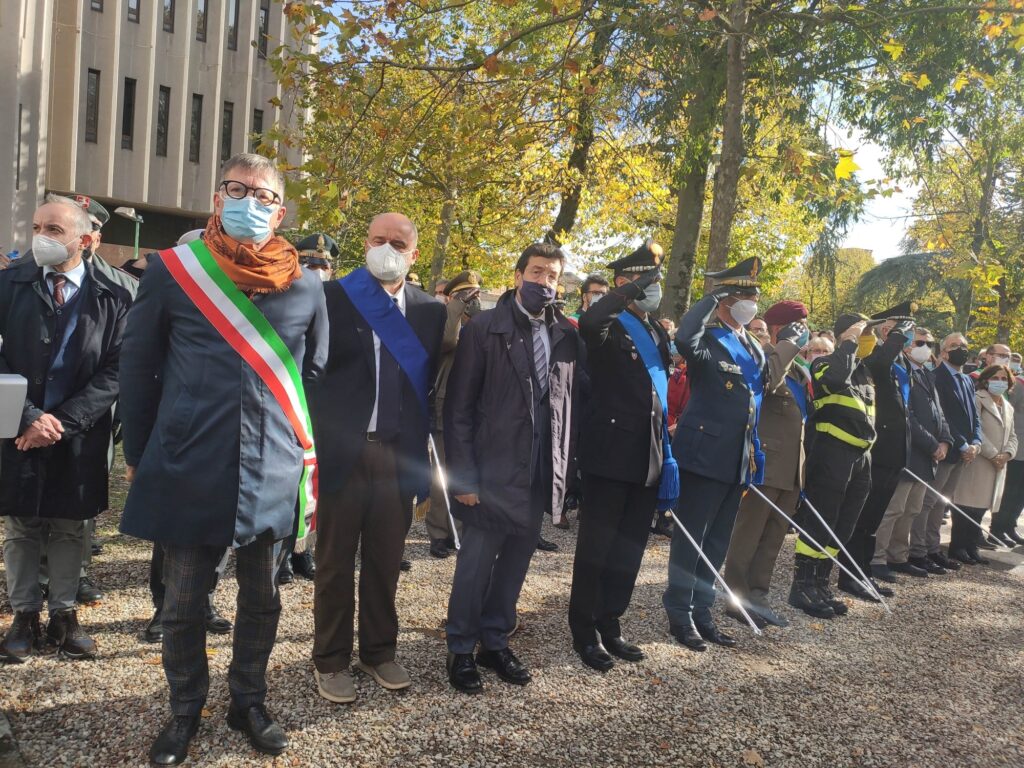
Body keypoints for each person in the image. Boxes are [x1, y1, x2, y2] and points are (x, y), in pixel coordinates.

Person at [119, 153, 328, 764]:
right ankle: (185, 709)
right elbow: (138, 366)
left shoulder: (307, 285)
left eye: (264, 196)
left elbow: (313, 371)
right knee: (184, 602)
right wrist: (139, 451)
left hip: (272, 467)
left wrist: (286, 439)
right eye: (238, 190)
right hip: (190, 461)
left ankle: (248, 702)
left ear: (280, 212)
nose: (250, 203)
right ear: (217, 199)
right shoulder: (173, 270)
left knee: (262, 600)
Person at [311, 213, 445, 703]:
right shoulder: (331, 297)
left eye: (398, 243)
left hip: (396, 455)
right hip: (342, 453)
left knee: (386, 562)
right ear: (365, 244)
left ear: (414, 253)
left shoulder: (430, 311)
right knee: (334, 564)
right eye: (378, 239)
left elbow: (425, 388)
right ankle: (330, 660)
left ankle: (379, 651)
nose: (387, 249)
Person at [444, 242, 582, 693]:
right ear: (518, 274)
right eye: (537, 272)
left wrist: (564, 475)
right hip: (491, 472)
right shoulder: (485, 328)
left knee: (516, 564)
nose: (545, 282)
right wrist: (463, 477)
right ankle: (460, 648)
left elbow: (566, 407)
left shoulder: (564, 335)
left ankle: (495, 640)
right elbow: (459, 409)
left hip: (539, 471)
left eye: (552, 276)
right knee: (476, 566)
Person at [0, 196, 131, 663]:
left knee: (71, 526)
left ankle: (63, 614)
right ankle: (23, 614)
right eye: (37, 227)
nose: (41, 238)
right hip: (17, 427)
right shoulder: (8, 285)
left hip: (79, 432)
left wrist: (63, 422)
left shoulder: (117, 295)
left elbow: (118, 369)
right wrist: (28, 416)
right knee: (21, 525)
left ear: (86, 239)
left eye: (53, 230)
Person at [568, 239, 673, 672]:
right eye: (645, 280)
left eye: (654, 280)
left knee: (629, 548)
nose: (653, 288)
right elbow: (591, 320)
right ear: (623, 283)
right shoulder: (609, 325)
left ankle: (610, 622)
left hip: (648, 454)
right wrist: (629, 289)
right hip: (610, 454)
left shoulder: (655, 330)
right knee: (597, 547)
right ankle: (584, 630)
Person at [663, 257, 767, 652]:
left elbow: (753, 402)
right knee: (691, 539)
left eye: (754, 296)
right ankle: (679, 611)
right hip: (704, 455)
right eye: (743, 297)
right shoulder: (708, 338)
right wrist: (710, 298)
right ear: (726, 300)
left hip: (738, 458)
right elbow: (684, 338)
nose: (751, 303)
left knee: (717, 542)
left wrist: (755, 454)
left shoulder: (752, 345)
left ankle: (702, 610)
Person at [723, 300, 809, 629]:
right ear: (781, 328)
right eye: (799, 325)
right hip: (766, 464)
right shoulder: (765, 356)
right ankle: (737, 598)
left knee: (773, 537)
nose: (805, 331)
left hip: (792, 467)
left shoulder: (798, 367)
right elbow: (767, 383)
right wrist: (786, 344)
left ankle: (759, 595)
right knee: (748, 535)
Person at [788, 313, 880, 618]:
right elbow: (835, 379)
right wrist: (848, 342)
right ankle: (802, 587)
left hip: (860, 457)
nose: (868, 339)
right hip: (832, 452)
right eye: (862, 333)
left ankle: (820, 582)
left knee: (843, 524)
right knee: (821, 520)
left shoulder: (863, 370)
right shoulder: (826, 363)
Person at [839, 304, 916, 601]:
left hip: (894, 456)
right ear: (887, 330)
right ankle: (850, 575)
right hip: (878, 454)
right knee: (862, 520)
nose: (908, 335)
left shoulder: (899, 362)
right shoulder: (874, 357)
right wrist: (897, 337)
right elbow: (879, 364)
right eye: (903, 328)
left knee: (873, 522)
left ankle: (864, 572)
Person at [870, 327, 951, 579]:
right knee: (893, 509)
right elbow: (906, 416)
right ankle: (877, 558)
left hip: (925, 457)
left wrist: (945, 440)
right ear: (906, 345)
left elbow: (938, 412)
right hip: (906, 452)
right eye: (919, 342)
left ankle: (898, 556)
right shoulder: (900, 372)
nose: (925, 347)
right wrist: (932, 444)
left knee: (912, 510)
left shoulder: (926, 374)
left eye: (929, 343)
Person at [909, 333, 980, 571]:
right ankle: (918, 550)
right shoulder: (936, 377)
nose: (961, 349)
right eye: (954, 346)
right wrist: (961, 444)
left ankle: (933, 548)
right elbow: (944, 417)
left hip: (963, 452)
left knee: (942, 503)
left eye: (964, 345)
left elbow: (974, 416)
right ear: (943, 352)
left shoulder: (967, 380)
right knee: (928, 502)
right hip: (946, 449)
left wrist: (976, 442)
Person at [427, 270, 482, 559]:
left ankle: (460, 529)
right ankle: (439, 533)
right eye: (465, 296)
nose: (472, 300)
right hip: (445, 407)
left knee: (467, 473)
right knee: (442, 475)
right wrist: (457, 305)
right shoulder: (444, 320)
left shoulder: (479, 324)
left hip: (475, 411)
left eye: (474, 295)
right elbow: (446, 340)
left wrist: (475, 313)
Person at [951, 365, 1017, 563]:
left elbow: (1013, 436)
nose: (1000, 382)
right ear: (986, 379)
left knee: (980, 509)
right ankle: (958, 546)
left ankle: (971, 546)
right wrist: (994, 454)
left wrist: (1007, 454)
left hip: (997, 465)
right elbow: (976, 429)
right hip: (979, 461)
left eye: (1004, 379)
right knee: (966, 506)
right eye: (996, 377)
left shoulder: (1007, 406)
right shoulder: (977, 398)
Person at [991, 351, 1024, 546]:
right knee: (1010, 490)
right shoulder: (1019, 383)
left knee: (1021, 494)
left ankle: (1010, 525)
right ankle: (997, 528)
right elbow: (1005, 411)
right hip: (1018, 447)